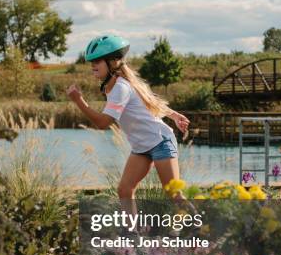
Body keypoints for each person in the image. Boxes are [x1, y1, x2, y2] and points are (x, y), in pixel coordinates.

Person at [66, 34, 189, 199]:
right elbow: (147, 101)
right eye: (91, 62)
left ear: (112, 62)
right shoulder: (118, 84)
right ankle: (132, 226)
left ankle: (197, 225)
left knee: (173, 194)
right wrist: (173, 114)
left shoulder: (120, 88)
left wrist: (78, 100)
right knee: (124, 191)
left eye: (97, 61)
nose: (92, 65)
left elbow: (102, 123)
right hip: (141, 147)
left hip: (160, 142)